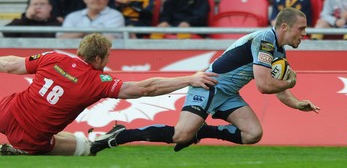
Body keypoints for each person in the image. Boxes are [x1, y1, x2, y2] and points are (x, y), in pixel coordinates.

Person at [90, 7, 320, 156]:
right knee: (180, 135)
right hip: (209, 84)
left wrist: (297, 103)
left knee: (252, 134)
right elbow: (264, 86)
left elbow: (275, 88)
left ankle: (200, 133)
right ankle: (120, 135)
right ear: (284, 27)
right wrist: (290, 84)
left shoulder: (277, 52)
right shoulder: (265, 41)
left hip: (227, 93)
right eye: (302, 29)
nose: (304, 34)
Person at [0, 32, 218, 156]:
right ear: (98, 59)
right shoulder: (99, 82)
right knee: (86, 148)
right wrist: (190, 79)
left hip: (7, 111)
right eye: (108, 56)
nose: (109, 61)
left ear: (80, 51)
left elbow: (11, 65)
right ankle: (19, 150)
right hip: (31, 137)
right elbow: (146, 88)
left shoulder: (55, 57)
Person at [57, 0, 125, 39]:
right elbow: (61, 38)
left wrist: (79, 34)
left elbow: (112, 39)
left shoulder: (116, 16)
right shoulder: (72, 16)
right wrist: (86, 32)